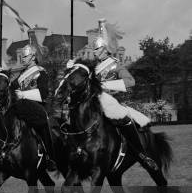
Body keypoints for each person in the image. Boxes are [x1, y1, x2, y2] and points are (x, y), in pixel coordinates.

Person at [67, 20, 158, 171]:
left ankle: (142, 154)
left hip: (113, 104)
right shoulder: (93, 68)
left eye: (97, 50)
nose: (95, 53)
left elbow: (130, 82)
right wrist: (71, 66)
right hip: (95, 103)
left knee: (125, 121)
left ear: (104, 49)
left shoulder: (115, 64)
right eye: (94, 50)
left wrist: (105, 86)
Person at [10, 44, 57, 170]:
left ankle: (49, 156)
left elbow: (43, 94)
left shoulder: (40, 72)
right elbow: (10, 87)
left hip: (37, 107)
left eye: (25, 56)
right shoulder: (22, 74)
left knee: (44, 128)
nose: (23, 59)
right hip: (21, 106)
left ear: (32, 57)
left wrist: (23, 94)